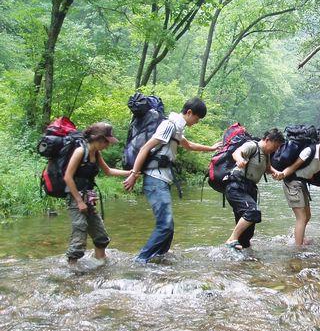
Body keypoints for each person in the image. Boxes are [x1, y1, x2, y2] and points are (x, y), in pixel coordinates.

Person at [123, 97, 220, 263]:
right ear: (189, 113)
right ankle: (140, 261)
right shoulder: (170, 125)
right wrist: (133, 174)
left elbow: (188, 145)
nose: (196, 122)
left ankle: (160, 258)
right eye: (197, 118)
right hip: (155, 180)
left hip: (162, 180)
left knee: (169, 227)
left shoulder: (177, 128)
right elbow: (146, 147)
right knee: (165, 226)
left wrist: (211, 148)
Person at [63, 123, 131, 264]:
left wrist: (131, 172)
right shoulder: (80, 152)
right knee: (80, 229)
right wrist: (79, 201)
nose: (108, 145)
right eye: (107, 141)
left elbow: (109, 171)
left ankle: (100, 261)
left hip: (89, 197)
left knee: (100, 232)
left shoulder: (96, 153)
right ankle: (72, 267)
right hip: (76, 198)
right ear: (98, 139)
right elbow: (67, 177)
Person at [224, 129, 285, 250]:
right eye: (275, 146)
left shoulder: (266, 153)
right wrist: (240, 160)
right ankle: (231, 240)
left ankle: (241, 255)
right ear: (267, 140)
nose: (276, 150)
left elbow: (267, 168)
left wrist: (276, 173)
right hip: (236, 186)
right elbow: (236, 153)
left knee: (248, 232)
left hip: (250, 189)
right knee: (252, 211)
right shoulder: (252, 145)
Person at [279, 136, 320, 246]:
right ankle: (298, 248)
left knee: (307, 216)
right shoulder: (309, 152)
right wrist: (281, 174)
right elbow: (294, 167)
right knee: (302, 217)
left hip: (302, 183)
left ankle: (300, 239)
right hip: (292, 182)